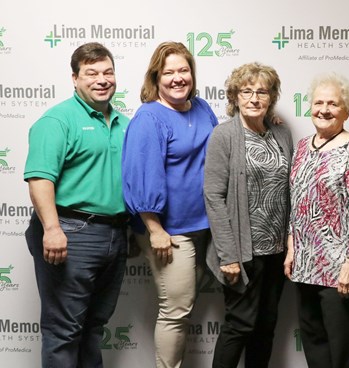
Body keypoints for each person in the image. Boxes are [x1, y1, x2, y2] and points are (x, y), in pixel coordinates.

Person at [24, 42, 129, 368]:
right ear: (74, 78)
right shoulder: (58, 120)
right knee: (64, 330)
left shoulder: (125, 123)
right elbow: (40, 178)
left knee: (93, 328)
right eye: (91, 73)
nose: (102, 79)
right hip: (71, 231)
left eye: (108, 72)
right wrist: (52, 228)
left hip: (115, 234)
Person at [121, 41, 217, 368]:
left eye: (184, 70)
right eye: (169, 72)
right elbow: (142, 175)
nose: (178, 78)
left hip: (203, 225)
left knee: (184, 306)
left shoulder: (202, 107)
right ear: (155, 77)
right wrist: (154, 228)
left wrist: (261, 125)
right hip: (170, 231)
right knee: (175, 310)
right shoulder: (150, 118)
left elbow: (220, 152)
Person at [284, 72, 349, 368]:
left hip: (341, 270)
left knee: (346, 350)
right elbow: (296, 201)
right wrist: (291, 247)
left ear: (346, 111)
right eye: (318, 102)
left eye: (333, 104)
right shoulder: (301, 147)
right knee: (315, 344)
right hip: (305, 265)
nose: (324, 109)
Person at [204, 62, 293, 368]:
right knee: (239, 325)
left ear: (271, 98)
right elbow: (213, 196)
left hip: (275, 251)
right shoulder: (224, 135)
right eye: (247, 91)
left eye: (262, 92)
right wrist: (228, 255)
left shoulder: (282, 133)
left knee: (265, 327)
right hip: (242, 252)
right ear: (235, 96)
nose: (254, 98)